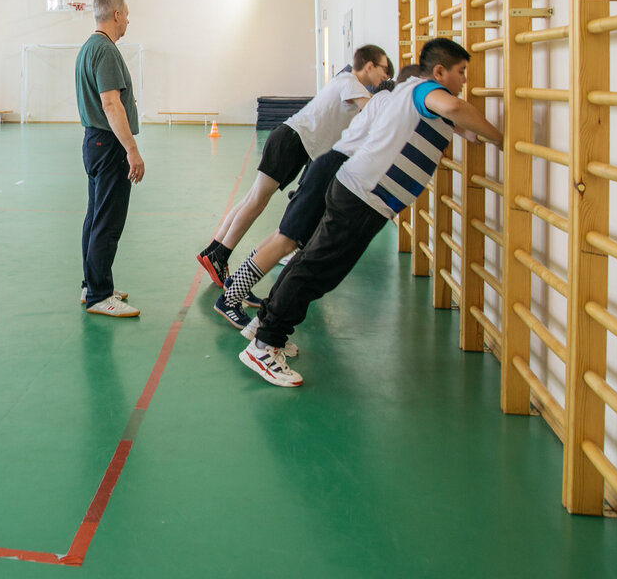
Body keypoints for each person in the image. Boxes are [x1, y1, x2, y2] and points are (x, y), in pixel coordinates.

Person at [239, 38, 504, 387]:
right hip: (363, 195)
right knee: (318, 269)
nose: (465, 81)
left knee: (313, 263)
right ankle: (264, 343)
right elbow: (455, 109)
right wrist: (501, 137)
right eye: (461, 72)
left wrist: (473, 130)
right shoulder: (425, 91)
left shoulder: (412, 95)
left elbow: (459, 123)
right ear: (439, 72)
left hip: (360, 191)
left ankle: (265, 325)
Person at [215, 65, 426, 330]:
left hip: (333, 169)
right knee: (285, 241)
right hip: (333, 169)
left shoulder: (384, 101)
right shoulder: (389, 104)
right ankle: (230, 298)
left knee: (288, 241)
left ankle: (245, 301)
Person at [197, 44, 393, 289]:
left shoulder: (345, 81)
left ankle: (213, 250)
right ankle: (220, 255)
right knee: (256, 201)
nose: (385, 77)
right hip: (291, 142)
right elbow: (373, 110)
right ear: (369, 65)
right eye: (384, 70)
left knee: (252, 199)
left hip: (293, 142)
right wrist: (395, 100)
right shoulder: (351, 83)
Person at [76, 0, 143, 318]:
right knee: (107, 220)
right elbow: (110, 103)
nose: (128, 19)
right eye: (126, 13)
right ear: (115, 14)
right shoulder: (104, 50)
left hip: (95, 142)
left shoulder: (90, 48)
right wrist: (131, 149)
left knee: (95, 216)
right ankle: (100, 295)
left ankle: (92, 284)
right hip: (109, 145)